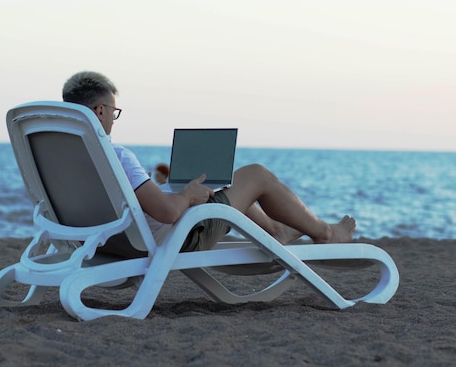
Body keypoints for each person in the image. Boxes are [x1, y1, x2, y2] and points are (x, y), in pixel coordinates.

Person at [62, 71, 356, 252]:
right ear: (100, 111)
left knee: (215, 181)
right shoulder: (117, 156)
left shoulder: (63, 159)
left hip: (105, 243)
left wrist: (181, 193)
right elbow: (166, 213)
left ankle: (277, 230)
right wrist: (187, 196)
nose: (114, 119)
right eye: (114, 112)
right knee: (256, 175)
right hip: (171, 239)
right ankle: (327, 233)